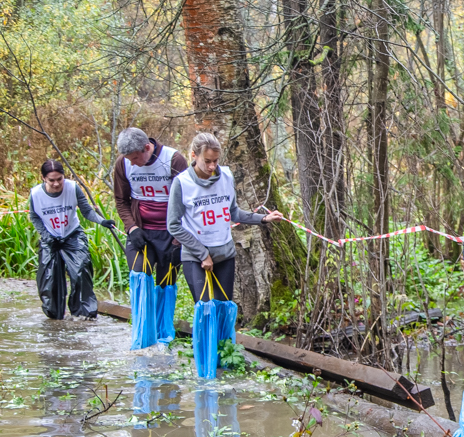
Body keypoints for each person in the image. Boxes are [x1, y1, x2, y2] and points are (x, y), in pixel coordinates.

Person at [166, 132, 282, 302]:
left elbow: (233, 213)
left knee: (223, 308)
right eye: (207, 161)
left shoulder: (226, 176)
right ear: (194, 155)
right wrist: (202, 253)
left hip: (224, 254)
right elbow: (173, 225)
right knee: (204, 309)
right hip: (196, 257)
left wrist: (264, 218)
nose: (212, 166)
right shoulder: (181, 183)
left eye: (215, 160)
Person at [114, 127, 189, 340]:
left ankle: (162, 333)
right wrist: (131, 227)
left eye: (136, 158)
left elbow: (187, 200)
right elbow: (121, 200)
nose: (133, 163)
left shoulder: (174, 160)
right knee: (139, 276)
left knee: (166, 283)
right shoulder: (123, 164)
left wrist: (179, 239)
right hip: (142, 233)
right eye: (129, 159)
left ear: (147, 147)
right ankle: (143, 335)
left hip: (169, 233)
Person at [29, 159, 116, 319]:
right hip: (50, 239)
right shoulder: (35, 194)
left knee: (81, 271)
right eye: (51, 180)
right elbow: (34, 217)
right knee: (49, 279)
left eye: (59, 179)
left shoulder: (72, 187)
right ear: (43, 178)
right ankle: (54, 316)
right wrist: (46, 235)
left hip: (72, 235)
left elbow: (86, 211)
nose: (56, 184)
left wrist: (102, 221)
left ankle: (83, 314)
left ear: (64, 176)